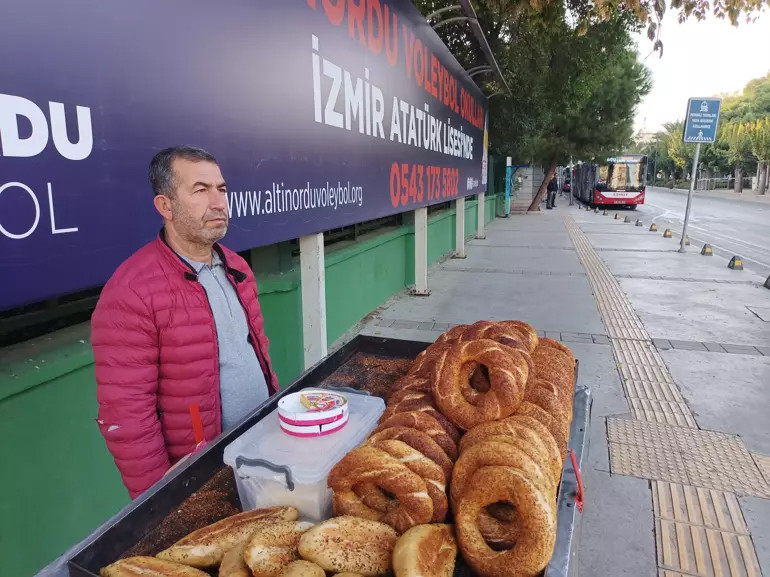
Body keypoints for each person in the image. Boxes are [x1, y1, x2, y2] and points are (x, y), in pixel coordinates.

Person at [91, 146, 278, 498]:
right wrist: (160, 494)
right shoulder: (131, 290)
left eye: (221, 189)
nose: (218, 201)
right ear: (165, 206)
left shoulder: (237, 267)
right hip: (202, 473)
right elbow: (126, 410)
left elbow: (257, 356)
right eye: (200, 190)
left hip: (260, 449)